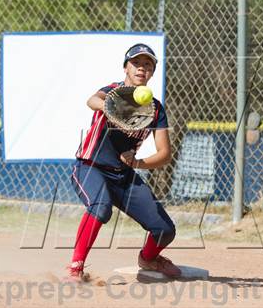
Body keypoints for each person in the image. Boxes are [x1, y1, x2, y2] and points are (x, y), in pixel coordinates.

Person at [65, 43, 181, 282]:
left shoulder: (155, 109)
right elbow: (92, 100)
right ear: (126, 68)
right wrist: (110, 107)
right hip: (90, 167)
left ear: (152, 72)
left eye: (147, 64)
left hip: (123, 176)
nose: (141, 68)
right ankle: (75, 267)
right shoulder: (114, 92)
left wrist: (138, 163)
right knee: (100, 207)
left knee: (165, 229)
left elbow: (165, 153)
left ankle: (148, 258)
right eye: (136, 63)